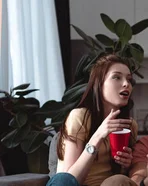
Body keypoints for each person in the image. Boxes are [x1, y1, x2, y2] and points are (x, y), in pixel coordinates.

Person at [48, 54, 138, 186]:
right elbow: (68, 180)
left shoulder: (129, 125)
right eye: (116, 77)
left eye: (129, 80)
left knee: (118, 180)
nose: (126, 84)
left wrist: (126, 165)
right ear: (99, 84)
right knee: (63, 179)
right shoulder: (80, 117)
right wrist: (98, 137)